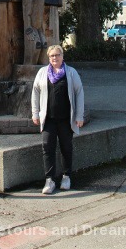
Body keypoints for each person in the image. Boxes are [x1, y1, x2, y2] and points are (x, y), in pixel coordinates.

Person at [31, 44, 84, 194]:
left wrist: (79, 116)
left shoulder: (71, 72)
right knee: (47, 148)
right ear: (49, 58)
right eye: (52, 56)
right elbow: (35, 92)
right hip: (48, 119)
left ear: (62, 56)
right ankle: (50, 180)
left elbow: (79, 92)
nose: (55, 58)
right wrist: (35, 113)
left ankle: (66, 176)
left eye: (57, 55)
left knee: (66, 147)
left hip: (66, 119)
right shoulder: (42, 72)